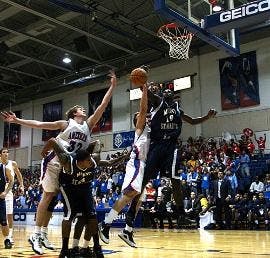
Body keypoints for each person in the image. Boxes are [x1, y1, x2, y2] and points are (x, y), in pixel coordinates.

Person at [0, 71, 117, 255]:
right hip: (53, 161)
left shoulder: (88, 125)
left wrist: (112, 87)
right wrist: (16, 120)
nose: (83, 110)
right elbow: (40, 124)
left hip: (67, 166)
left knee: (53, 201)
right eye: (80, 109)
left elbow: (103, 105)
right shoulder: (65, 123)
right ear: (73, 113)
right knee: (47, 196)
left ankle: (44, 234)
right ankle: (36, 235)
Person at [122, 84, 217, 246]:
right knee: (143, 182)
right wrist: (142, 82)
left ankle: (180, 214)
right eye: (164, 90)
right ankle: (130, 217)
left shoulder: (178, 109)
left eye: (169, 91)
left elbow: (192, 121)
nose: (167, 91)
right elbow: (147, 93)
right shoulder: (158, 101)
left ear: (174, 96)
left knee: (175, 179)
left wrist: (207, 117)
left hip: (171, 147)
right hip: (156, 146)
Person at [43, 137, 127, 258]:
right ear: (80, 161)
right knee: (69, 215)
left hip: (85, 187)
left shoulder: (92, 161)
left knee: (90, 216)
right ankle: (64, 249)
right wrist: (44, 151)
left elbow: (108, 161)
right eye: (88, 160)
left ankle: (95, 247)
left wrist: (122, 157)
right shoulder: (67, 161)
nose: (91, 161)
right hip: (69, 188)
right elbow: (52, 141)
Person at [99, 83, 148, 247]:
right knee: (129, 195)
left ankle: (127, 230)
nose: (142, 116)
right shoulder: (140, 128)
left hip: (144, 166)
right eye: (139, 116)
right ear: (136, 121)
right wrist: (145, 90)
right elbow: (143, 110)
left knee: (138, 200)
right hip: (136, 163)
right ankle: (105, 224)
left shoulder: (150, 130)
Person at [0, 147, 24, 245]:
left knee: (9, 214)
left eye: (7, 152)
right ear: (0, 154)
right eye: (4, 152)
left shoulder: (12, 163)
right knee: (2, 217)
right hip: (0, 189)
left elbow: (18, 174)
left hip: (8, 191)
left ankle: (9, 236)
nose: (6, 154)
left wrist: (21, 185)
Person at [0, 162, 14, 249]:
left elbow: (12, 180)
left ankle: (7, 239)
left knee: (4, 222)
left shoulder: (3, 168)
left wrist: (5, 192)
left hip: (0, 199)